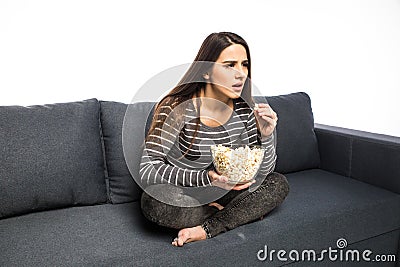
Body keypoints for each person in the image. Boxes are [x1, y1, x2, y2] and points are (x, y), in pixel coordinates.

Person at [139, 32, 289, 247]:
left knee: (277, 184)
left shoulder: (245, 111)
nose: (240, 74)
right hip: (182, 192)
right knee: (155, 203)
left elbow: (262, 173)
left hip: (224, 191)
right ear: (206, 72)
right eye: (229, 65)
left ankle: (209, 227)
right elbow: (147, 170)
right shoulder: (176, 108)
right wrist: (207, 178)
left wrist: (266, 135)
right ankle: (235, 215)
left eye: (244, 64)